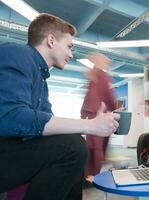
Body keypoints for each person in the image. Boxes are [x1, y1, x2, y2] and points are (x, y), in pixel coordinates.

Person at [0, 13, 119, 200]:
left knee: (73, 144)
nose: (71, 54)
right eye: (69, 46)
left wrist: (83, 128)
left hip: (10, 154)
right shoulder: (17, 54)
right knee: (72, 147)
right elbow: (12, 118)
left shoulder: (41, 80)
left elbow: (46, 130)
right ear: (51, 40)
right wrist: (89, 126)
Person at [80, 52, 116, 183]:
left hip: (91, 116)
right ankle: (92, 176)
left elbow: (88, 99)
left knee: (93, 147)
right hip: (98, 116)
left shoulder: (93, 76)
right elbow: (110, 98)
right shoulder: (101, 76)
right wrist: (114, 111)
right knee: (96, 148)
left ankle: (89, 175)